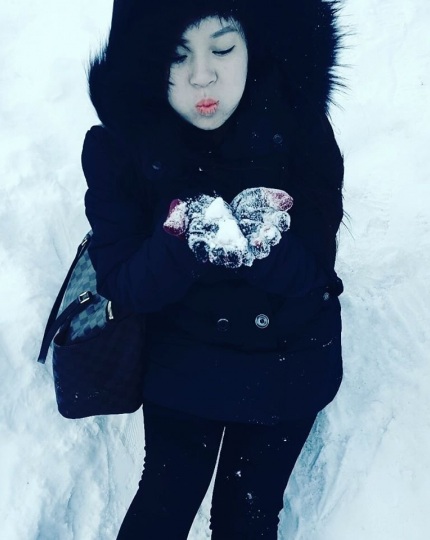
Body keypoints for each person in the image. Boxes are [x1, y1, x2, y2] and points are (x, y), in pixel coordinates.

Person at [82, 0, 345, 537]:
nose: (202, 76)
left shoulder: (301, 129)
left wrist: (267, 248)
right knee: (166, 497)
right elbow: (121, 284)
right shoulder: (120, 148)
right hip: (182, 355)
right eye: (177, 55)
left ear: (254, 44)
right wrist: (181, 241)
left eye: (223, 48)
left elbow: (317, 277)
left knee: (246, 514)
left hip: (289, 358)